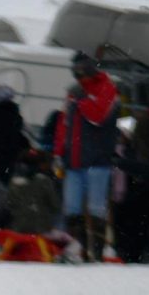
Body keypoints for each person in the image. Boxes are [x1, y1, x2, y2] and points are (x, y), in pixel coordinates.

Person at [55, 52, 122, 259]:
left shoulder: (107, 88)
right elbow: (63, 125)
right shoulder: (77, 93)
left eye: (81, 70)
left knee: (96, 208)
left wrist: (81, 100)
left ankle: (96, 251)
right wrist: (58, 152)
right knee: (72, 208)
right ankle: (81, 250)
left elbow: (98, 117)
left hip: (97, 159)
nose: (79, 75)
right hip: (74, 160)